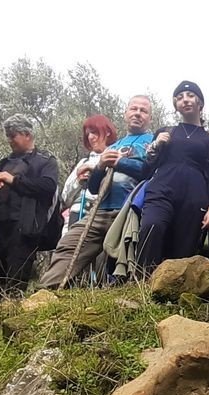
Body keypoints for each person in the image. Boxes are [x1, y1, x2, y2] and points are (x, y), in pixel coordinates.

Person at [39, 102, 153, 289]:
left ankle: (119, 296)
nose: (138, 113)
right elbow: (93, 189)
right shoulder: (113, 147)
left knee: (119, 260)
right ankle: (45, 292)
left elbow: (151, 171)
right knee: (69, 244)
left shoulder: (153, 142)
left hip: (129, 212)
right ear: (125, 113)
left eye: (144, 111)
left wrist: (120, 162)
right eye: (134, 109)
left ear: (150, 118)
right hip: (100, 211)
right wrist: (100, 166)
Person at [136, 81, 209, 271]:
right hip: (161, 191)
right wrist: (156, 146)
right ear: (176, 105)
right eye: (180, 97)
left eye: (190, 96)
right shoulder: (165, 132)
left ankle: (174, 287)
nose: (185, 100)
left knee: (183, 248)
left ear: (200, 103)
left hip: (194, 198)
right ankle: (141, 281)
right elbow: (146, 170)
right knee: (152, 227)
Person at [0, 114, 60, 294]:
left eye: (13, 135)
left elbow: (48, 186)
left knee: (17, 274)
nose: (9, 140)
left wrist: (14, 180)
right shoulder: (4, 162)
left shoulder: (46, 160)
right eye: (8, 136)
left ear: (27, 134)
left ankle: (14, 305)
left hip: (25, 227)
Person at [61, 115, 118, 226]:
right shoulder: (83, 162)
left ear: (107, 132)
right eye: (88, 134)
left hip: (102, 216)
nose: (90, 137)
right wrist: (78, 182)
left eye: (94, 132)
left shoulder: (116, 158)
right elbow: (65, 198)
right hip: (77, 215)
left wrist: (96, 170)